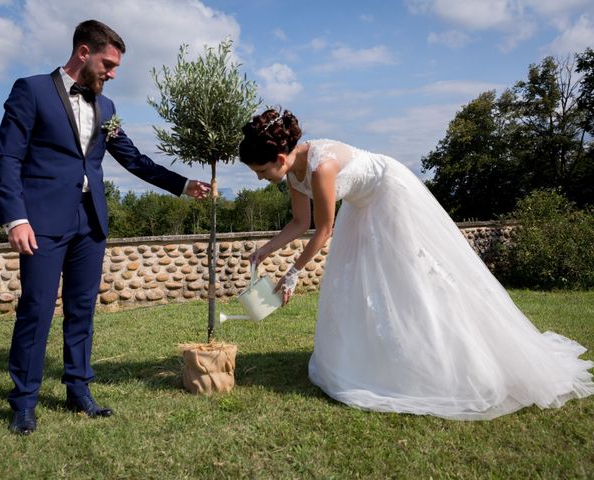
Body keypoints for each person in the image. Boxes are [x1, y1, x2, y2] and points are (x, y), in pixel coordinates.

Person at [239, 108, 594, 420]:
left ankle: (452, 353)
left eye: (260, 170)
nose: (259, 177)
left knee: (411, 277)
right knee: (362, 282)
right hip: (363, 206)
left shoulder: (321, 167)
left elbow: (325, 228)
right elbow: (300, 223)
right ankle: (375, 358)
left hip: (389, 193)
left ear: (281, 157)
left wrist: (293, 275)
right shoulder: (293, 176)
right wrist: (265, 251)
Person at [0, 19, 210, 435]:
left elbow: (133, 158)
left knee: (82, 310)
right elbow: (6, 158)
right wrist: (15, 218)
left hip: (90, 222)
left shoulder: (106, 108)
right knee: (36, 311)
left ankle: (79, 389)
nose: (112, 74)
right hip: (40, 222)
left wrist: (182, 184)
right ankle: (23, 402)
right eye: (108, 64)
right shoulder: (31, 90)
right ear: (83, 53)